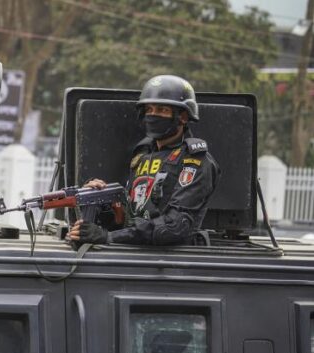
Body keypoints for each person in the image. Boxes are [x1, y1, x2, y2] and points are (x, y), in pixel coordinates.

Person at [69, 75, 220, 245]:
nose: (153, 115)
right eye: (149, 109)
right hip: (135, 252)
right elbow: (133, 217)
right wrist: (102, 204)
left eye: (162, 110)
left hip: (173, 261)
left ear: (183, 117)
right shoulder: (143, 154)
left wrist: (109, 237)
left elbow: (173, 227)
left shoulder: (194, 161)